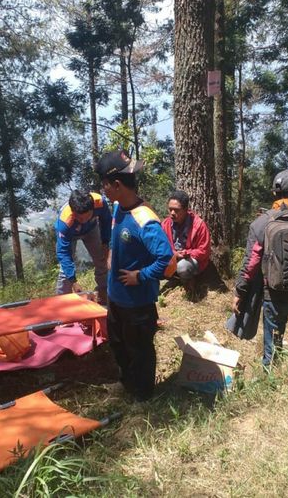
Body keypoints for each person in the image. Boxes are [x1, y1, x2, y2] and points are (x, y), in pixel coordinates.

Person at [96, 150, 173, 401]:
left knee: (139, 350)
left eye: (104, 184)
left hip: (137, 304)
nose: (103, 189)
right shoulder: (118, 207)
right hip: (116, 299)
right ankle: (126, 384)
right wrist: (110, 258)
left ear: (117, 185)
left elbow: (166, 258)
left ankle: (143, 395)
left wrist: (141, 276)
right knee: (118, 346)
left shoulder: (145, 220)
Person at [233, 170, 288, 367]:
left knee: (273, 341)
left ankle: (271, 378)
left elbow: (251, 263)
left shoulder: (261, 223)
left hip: (273, 294)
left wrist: (240, 291)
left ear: (274, 194)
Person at [54, 189, 111, 304]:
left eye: (87, 216)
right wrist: (73, 281)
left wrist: (105, 242)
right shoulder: (65, 222)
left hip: (92, 229)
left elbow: (106, 221)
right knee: (65, 272)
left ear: (93, 208)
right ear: (73, 212)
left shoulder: (99, 202)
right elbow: (63, 253)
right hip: (71, 234)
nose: (83, 221)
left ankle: (105, 292)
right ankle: (62, 302)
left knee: (101, 259)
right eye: (80, 218)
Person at [161, 190, 211, 294]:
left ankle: (190, 287)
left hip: (191, 260)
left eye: (176, 210)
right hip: (173, 258)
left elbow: (204, 251)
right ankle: (175, 278)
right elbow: (161, 245)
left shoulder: (198, 225)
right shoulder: (165, 224)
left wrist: (185, 254)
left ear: (185, 209)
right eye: (170, 209)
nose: (172, 213)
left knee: (183, 267)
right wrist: (174, 254)